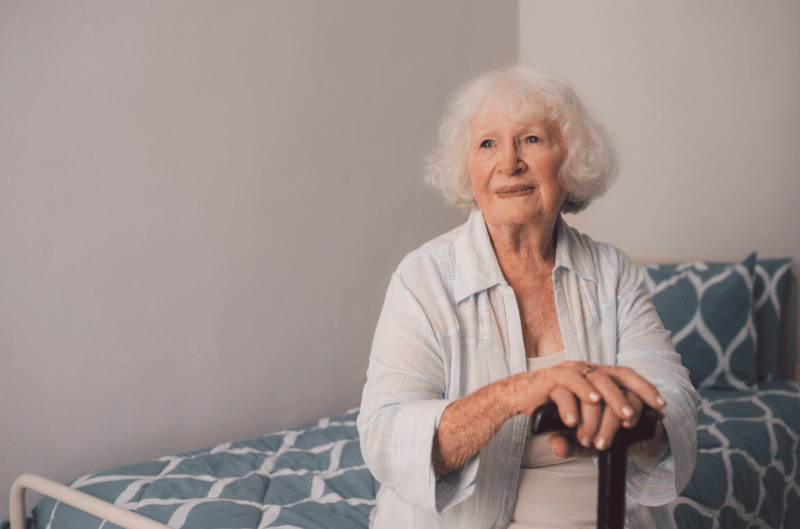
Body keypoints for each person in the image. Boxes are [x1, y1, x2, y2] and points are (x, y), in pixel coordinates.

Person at [357, 65, 697, 529]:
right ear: (469, 168)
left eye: (532, 139)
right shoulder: (422, 280)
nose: (509, 162)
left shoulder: (613, 273)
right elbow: (384, 437)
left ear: (570, 159)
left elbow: (671, 400)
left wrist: (633, 424)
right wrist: (512, 395)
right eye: (487, 143)